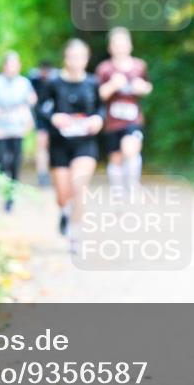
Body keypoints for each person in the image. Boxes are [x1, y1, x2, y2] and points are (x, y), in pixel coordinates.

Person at [38, 39, 104, 250]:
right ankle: (65, 212)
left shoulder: (93, 83)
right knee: (63, 195)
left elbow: (101, 109)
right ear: (66, 58)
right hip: (60, 145)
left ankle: (76, 234)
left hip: (85, 144)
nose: (77, 61)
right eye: (72, 57)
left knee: (79, 186)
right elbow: (41, 108)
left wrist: (98, 120)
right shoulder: (53, 83)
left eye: (81, 57)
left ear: (87, 59)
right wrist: (54, 118)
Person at [0, 52, 36, 212]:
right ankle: (0, 189)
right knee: (2, 163)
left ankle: (11, 197)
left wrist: (29, 114)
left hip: (17, 129)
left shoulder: (24, 83)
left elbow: (29, 103)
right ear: (4, 66)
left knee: (16, 163)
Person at [96, 27, 152, 192]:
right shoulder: (104, 68)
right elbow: (98, 94)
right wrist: (112, 85)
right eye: (116, 44)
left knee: (130, 148)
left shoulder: (139, 66)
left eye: (123, 43)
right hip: (112, 122)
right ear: (110, 47)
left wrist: (142, 87)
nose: (120, 47)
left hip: (133, 119)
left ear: (130, 45)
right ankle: (118, 192)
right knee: (116, 158)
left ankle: (133, 185)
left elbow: (148, 86)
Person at [28, 60, 56, 187]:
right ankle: (42, 175)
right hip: (41, 118)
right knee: (41, 145)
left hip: (55, 119)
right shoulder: (34, 81)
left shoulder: (55, 82)